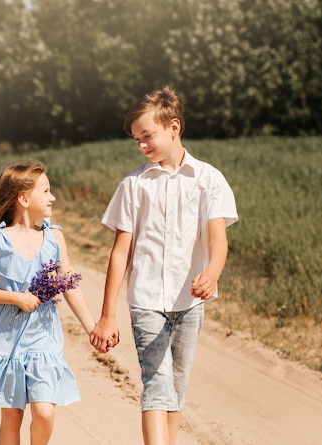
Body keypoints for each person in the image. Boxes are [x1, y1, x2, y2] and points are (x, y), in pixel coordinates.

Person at [90, 86, 238, 445]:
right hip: (146, 302)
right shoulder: (134, 185)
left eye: (147, 136)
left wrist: (212, 273)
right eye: (137, 140)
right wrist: (107, 314)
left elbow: (218, 239)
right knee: (156, 386)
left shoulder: (208, 179)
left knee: (176, 390)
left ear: (174, 127)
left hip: (189, 304)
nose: (141, 145)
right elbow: (120, 252)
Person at [0, 160, 96, 445]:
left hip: (43, 338)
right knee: (11, 417)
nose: (52, 197)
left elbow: (70, 285)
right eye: (46, 191)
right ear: (24, 199)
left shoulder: (54, 237)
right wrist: (16, 296)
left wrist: (92, 328)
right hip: (7, 338)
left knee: (44, 412)